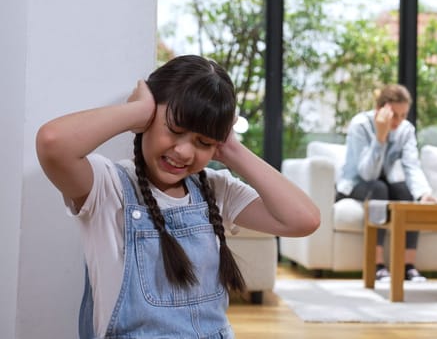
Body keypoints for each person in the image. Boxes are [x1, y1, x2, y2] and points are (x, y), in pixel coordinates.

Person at [36, 55, 320, 338]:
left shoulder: (216, 190)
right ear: (148, 120)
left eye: (204, 142)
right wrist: (137, 112)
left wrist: (231, 149)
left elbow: (303, 219)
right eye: (174, 129)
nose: (184, 152)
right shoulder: (107, 187)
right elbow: (53, 143)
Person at [336, 84, 437, 282]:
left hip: (385, 181)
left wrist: (423, 193)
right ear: (380, 110)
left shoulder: (406, 130)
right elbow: (367, 174)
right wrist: (380, 137)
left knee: (405, 193)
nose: (399, 122)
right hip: (355, 183)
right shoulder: (360, 125)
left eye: (403, 115)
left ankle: (408, 266)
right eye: (394, 115)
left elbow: (411, 166)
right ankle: (377, 265)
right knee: (379, 190)